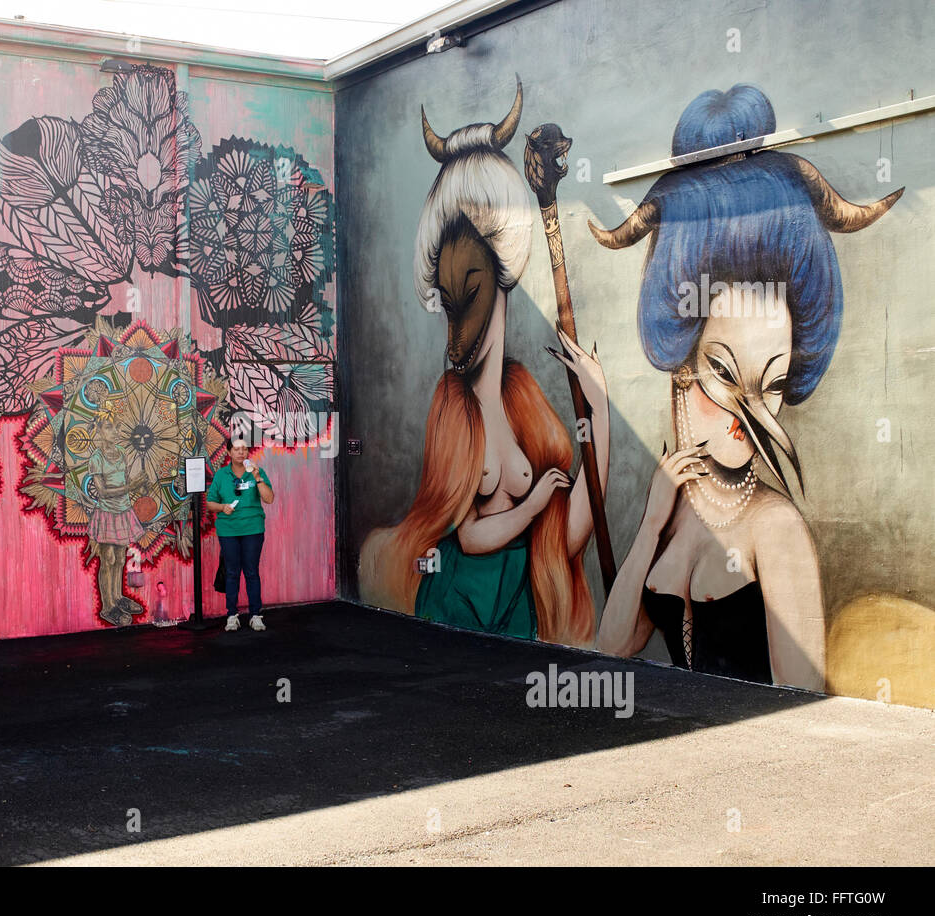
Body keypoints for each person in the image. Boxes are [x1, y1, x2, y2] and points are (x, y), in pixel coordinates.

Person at [590, 83, 902, 689]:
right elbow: (609, 650)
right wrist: (653, 521)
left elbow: (802, 713)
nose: (749, 415)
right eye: (726, 376)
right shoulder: (673, 505)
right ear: (682, 366)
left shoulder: (775, 529)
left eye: (775, 383)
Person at [358, 80, 608, 646]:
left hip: (519, 603)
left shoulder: (522, 396)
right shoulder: (451, 401)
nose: (454, 336)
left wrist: (602, 414)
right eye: (448, 303)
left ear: (500, 278)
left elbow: (569, 537)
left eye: (467, 294)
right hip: (459, 600)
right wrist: (538, 499)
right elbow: (468, 538)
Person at [85, 408, 147, 626]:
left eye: (118, 427)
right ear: (99, 431)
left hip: (123, 511)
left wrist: (138, 482)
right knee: (108, 558)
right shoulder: (96, 458)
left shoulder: (122, 452)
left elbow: (127, 479)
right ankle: (108, 605)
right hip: (106, 514)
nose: (115, 431)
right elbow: (102, 491)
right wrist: (131, 485)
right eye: (109, 427)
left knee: (120, 558)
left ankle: (118, 596)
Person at [206, 437, 274, 631]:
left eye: (244, 449)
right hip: (228, 531)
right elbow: (210, 503)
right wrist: (222, 507)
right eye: (236, 449)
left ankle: (255, 615)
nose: (241, 452)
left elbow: (269, 498)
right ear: (229, 452)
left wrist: (258, 477)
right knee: (232, 573)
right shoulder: (221, 475)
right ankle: (231, 615)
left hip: (253, 529)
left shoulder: (256, 473)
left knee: (252, 572)